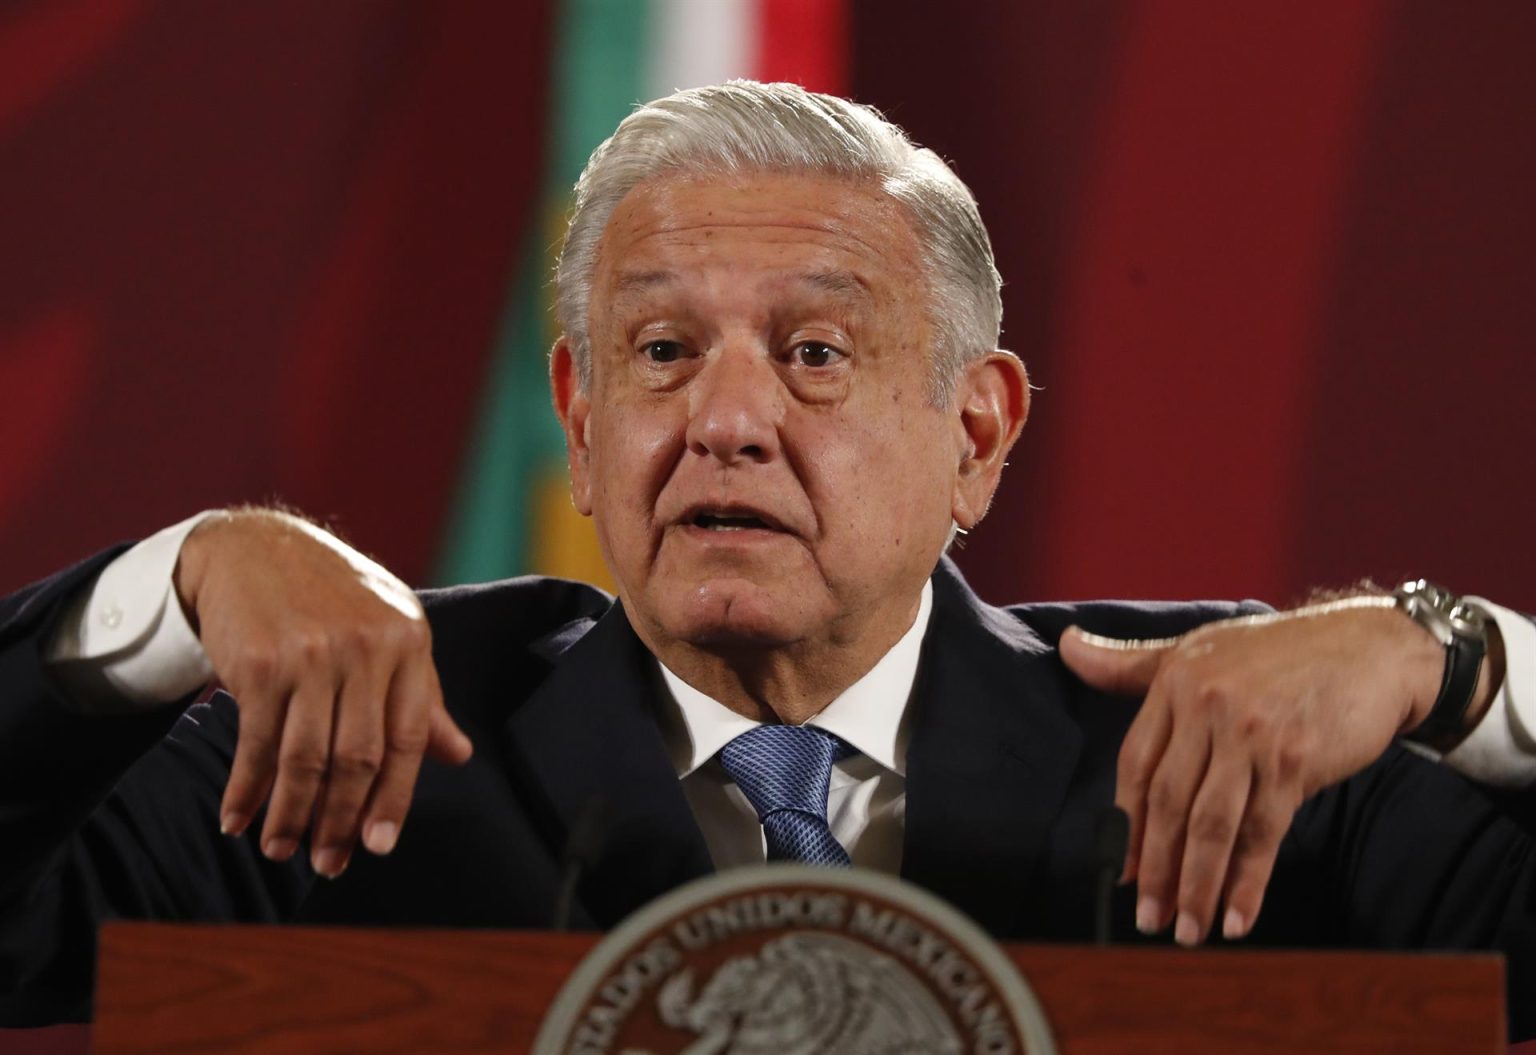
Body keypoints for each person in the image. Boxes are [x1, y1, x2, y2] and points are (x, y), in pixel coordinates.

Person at [2, 81, 1532, 1034]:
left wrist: (1459, 669)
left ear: (978, 435)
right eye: (662, 351)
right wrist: (167, 592)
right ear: (581, 417)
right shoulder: (374, 750)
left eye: (813, 354)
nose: (725, 421)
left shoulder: (1213, 755)